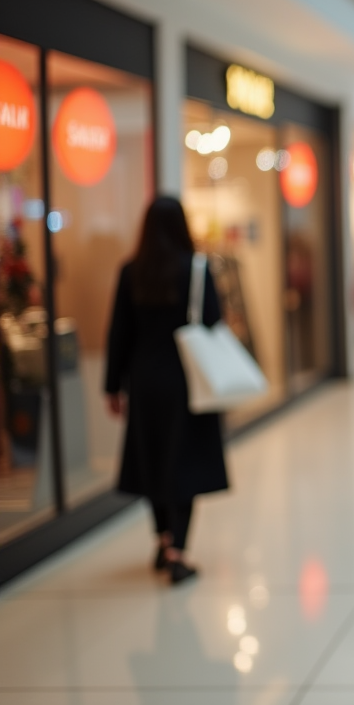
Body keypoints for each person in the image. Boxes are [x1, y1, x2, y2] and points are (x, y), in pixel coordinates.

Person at [105, 197, 226, 585]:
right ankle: (179, 552)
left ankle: (161, 540)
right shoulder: (196, 270)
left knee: (152, 460)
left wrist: (113, 386)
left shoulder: (131, 271)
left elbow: (118, 332)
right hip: (186, 381)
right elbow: (213, 321)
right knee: (185, 462)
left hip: (144, 381)